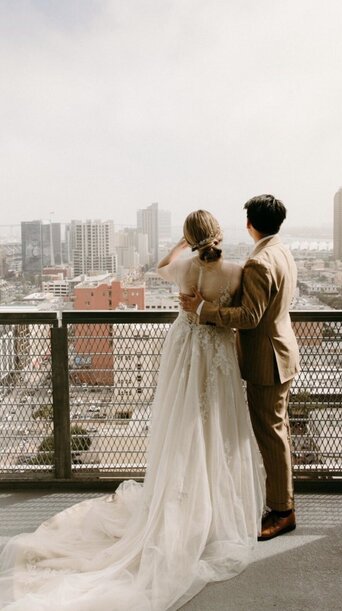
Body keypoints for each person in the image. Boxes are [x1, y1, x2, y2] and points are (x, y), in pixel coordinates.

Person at [0, 210, 265, 611]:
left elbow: (160, 267)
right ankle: (216, 511)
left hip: (186, 351)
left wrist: (181, 245)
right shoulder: (236, 270)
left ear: (190, 238)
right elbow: (242, 314)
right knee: (218, 428)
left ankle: (186, 503)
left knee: (183, 427)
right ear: (218, 234)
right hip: (219, 353)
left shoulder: (183, 268)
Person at [180, 194, 300, 540]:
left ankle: (282, 511)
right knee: (277, 430)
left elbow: (249, 317)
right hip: (281, 351)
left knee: (271, 434)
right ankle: (280, 502)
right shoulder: (281, 250)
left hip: (268, 359)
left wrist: (204, 310)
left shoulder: (259, 262)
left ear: (250, 223)